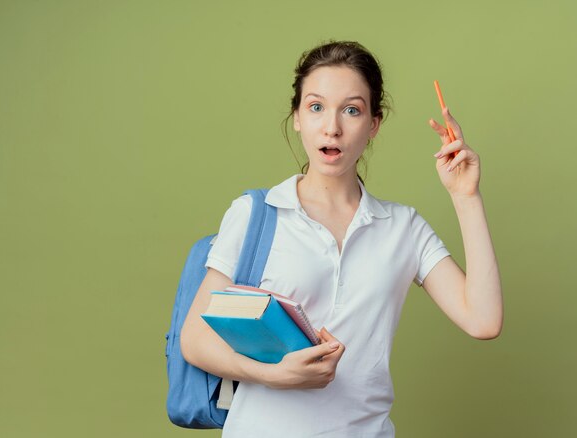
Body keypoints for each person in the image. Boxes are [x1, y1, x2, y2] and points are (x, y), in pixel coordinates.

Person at [180, 40, 503, 437]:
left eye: (351, 110)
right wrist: (272, 375)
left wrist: (465, 196)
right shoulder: (257, 214)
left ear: (373, 124)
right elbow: (194, 339)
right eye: (316, 107)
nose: (332, 126)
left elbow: (484, 320)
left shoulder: (403, 228)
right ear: (297, 116)